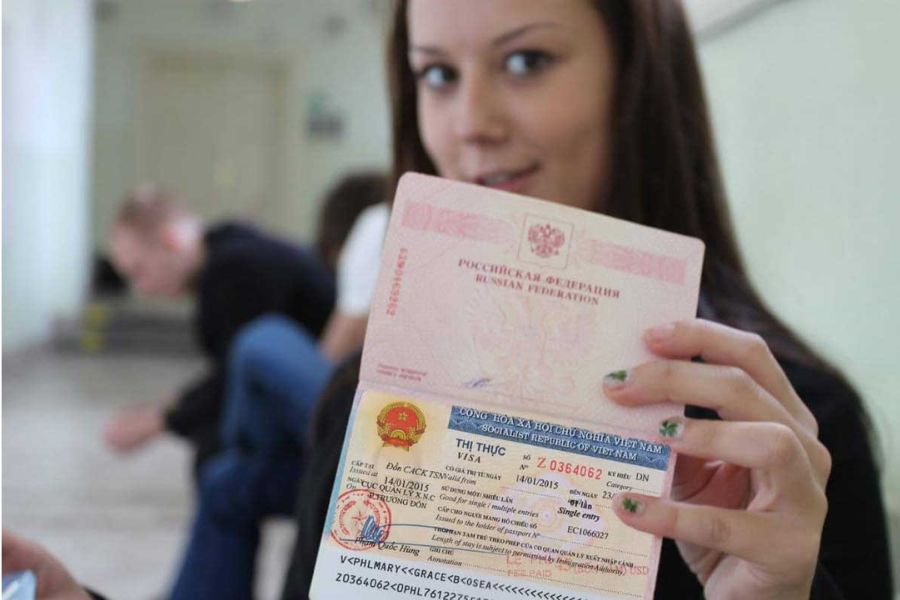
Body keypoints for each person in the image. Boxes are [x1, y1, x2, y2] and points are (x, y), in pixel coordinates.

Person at [283, 1, 893, 599]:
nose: (470, 121)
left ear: (637, 83)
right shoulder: (367, 397)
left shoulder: (786, 434)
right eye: (438, 74)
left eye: (526, 60)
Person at [167, 173, 390, 599]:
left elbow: (331, 374)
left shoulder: (381, 223)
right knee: (226, 480)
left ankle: (243, 446)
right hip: (381, 438)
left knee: (260, 340)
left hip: (378, 439)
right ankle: (243, 450)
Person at [103, 185, 336, 477]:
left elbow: (235, 377)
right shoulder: (229, 251)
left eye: (139, 271)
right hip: (326, 403)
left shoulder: (232, 270)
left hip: (334, 417)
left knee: (216, 462)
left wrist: (155, 422)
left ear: (171, 240)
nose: (142, 289)